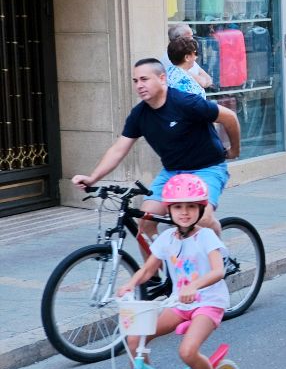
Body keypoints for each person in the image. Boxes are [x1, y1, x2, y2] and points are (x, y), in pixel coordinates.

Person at [72, 59, 240, 238]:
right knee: (145, 222)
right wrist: (93, 178)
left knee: (201, 219)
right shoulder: (139, 115)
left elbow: (229, 117)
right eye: (135, 81)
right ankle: (157, 266)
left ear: (162, 78)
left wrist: (234, 151)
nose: (139, 85)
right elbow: (118, 150)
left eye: (144, 79)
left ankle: (219, 258)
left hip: (206, 168)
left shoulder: (185, 102)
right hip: (172, 172)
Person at [115, 174, 233, 369]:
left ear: (201, 209)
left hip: (208, 303)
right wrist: (129, 284)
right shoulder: (167, 239)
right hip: (179, 304)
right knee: (135, 338)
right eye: (178, 207)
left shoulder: (206, 237)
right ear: (168, 209)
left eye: (191, 207)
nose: (185, 212)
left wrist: (195, 285)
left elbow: (217, 271)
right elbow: (148, 269)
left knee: (187, 351)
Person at [166, 23, 213, 90]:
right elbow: (202, 83)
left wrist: (204, 81)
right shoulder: (173, 57)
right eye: (189, 36)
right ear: (179, 39)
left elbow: (208, 80)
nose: (193, 39)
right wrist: (203, 80)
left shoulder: (188, 56)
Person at [165, 32, 208, 97]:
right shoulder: (187, 83)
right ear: (187, 57)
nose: (196, 57)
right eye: (195, 53)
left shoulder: (164, 73)